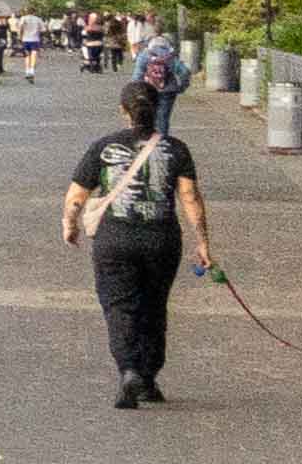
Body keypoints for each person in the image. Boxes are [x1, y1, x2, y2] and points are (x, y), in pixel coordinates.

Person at [66, 69, 208, 408]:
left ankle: (129, 368)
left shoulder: (102, 146)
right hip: (161, 239)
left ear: (123, 110)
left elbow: (76, 195)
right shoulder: (176, 149)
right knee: (154, 306)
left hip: (114, 239)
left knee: (119, 306)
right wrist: (203, 243)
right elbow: (190, 198)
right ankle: (147, 376)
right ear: (158, 108)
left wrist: (70, 224)